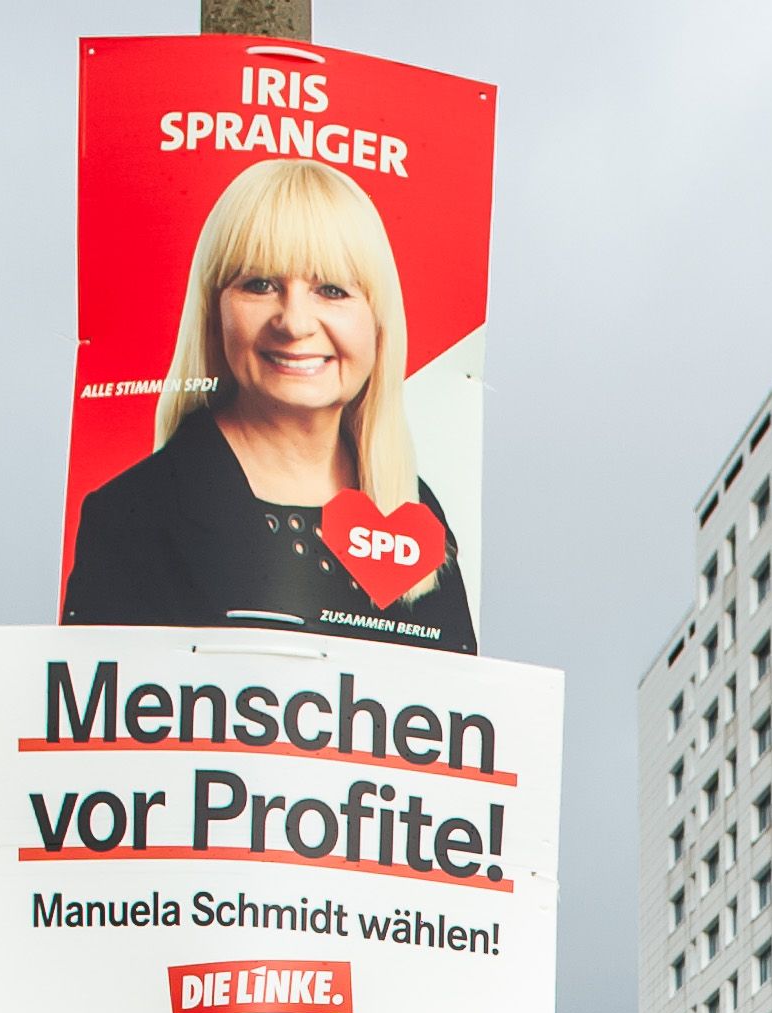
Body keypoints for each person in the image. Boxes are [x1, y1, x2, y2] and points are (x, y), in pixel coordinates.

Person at [60, 156, 478, 651]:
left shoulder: (415, 510)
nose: (295, 322)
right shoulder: (132, 514)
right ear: (215, 311)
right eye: (260, 285)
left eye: (332, 290)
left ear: (378, 322)